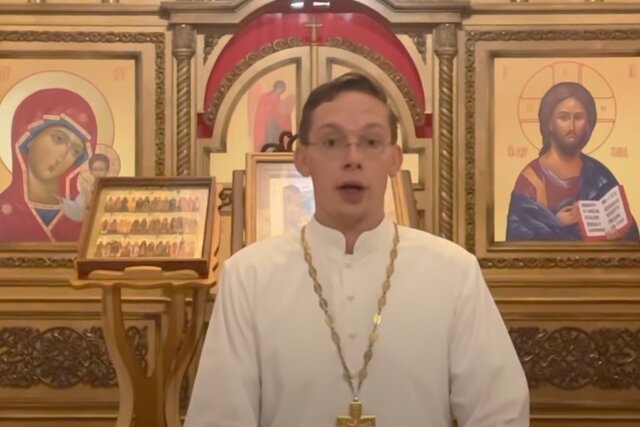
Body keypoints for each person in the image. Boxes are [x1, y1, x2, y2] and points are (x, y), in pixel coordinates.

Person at [185, 73, 529, 427]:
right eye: (332, 142)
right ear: (302, 158)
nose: (353, 158)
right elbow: (219, 417)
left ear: (395, 159)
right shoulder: (249, 276)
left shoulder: (454, 273)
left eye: (371, 141)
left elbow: (499, 411)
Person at [506, 81, 639, 241]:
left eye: (579, 118)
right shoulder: (532, 179)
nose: (571, 127)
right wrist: (555, 223)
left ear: (588, 124)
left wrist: (616, 237)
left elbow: (631, 236)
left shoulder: (599, 175)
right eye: (563, 117)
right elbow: (518, 238)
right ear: (549, 123)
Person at [0, 88, 97, 242]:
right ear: (28, 137)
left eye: (75, 151)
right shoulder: (3, 211)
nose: (63, 156)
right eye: (58, 138)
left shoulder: (86, 217)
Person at [252, 80, 295, 151]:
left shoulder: (278, 100)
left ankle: (275, 150)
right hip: (268, 124)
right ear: (277, 88)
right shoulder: (265, 97)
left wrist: (284, 113)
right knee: (270, 139)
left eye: (283, 91)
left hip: (276, 125)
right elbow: (263, 112)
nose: (281, 92)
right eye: (281, 90)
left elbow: (281, 113)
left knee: (276, 139)